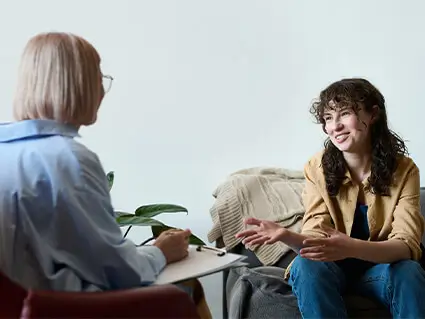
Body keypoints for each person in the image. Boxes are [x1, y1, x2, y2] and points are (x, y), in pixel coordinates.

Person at [0, 32, 191, 292]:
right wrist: (161, 252)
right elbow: (121, 273)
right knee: (184, 289)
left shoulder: (7, 150)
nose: (102, 90)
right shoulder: (67, 160)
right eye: (98, 77)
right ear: (79, 84)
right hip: (60, 308)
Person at [236, 78, 425, 318]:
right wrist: (287, 236)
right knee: (306, 266)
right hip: (331, 273)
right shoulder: (316, 168)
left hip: (380, 273)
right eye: (327, 118)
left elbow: (406, 247)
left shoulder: (405, 170)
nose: (334, 126)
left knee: (408, 272)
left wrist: (351, 247)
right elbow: (315, 240)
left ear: (373, 114)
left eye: (344, 114)